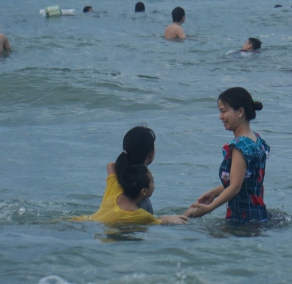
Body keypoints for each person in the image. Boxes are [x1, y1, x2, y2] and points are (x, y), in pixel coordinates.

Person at [186, 87, 270, 222]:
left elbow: (235, 187)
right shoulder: (255, 140)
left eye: (224, 111)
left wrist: (209, 208)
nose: (220, 116)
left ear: (240, 112)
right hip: (258, 213)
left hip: (243, 218)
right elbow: (245, 182)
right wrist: (213, 193)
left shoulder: (239, 146)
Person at [77, 155, 187, 225]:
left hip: (77, 222)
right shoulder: (139, 214)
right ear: (143, 191)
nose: (154, 184)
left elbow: (111, 165)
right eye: (152, 181)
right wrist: (187, 213)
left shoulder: (114, 190)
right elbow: (162, 221)